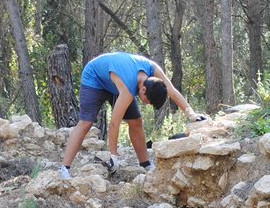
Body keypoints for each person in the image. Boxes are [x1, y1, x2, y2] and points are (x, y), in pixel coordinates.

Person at [59, 52, 204, 179]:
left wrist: (190, 113)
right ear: (143, 88)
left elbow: (171, 89)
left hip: (116, 82)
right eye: (147, 101)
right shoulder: (129, 86)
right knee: (86, 123)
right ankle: (64, 169)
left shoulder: (152, 69)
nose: (147, 104)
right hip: (95, 78)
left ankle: (145, 163)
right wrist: (114, 157)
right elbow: (114, 123)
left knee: (136, 121)